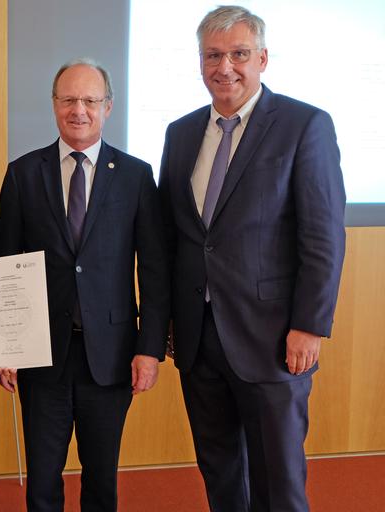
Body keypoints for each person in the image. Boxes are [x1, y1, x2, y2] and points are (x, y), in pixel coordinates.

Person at [158, 6, 346, 511]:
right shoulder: (179, 134)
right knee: (221, 476)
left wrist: (309, 325)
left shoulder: (305, 126)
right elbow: (177, 238)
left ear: (262, 58)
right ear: (200, 62)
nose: (226, 67)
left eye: (239, 54)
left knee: (277, 484)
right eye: (213, 55)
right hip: (199, 342)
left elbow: (323, 236)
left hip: (273, 340)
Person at [0, 58, 170, 511]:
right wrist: (5, 347)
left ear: (107, 106)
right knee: (42, 481)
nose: (79, 110)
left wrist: (149, 348)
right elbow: (4, 266)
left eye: (90, 100)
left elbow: (153, 269)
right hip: (41, 355)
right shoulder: (22, 174)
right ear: (54, 105)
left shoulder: (135, 176)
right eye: (69, 99)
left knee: (101, 478)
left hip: (111, 356)